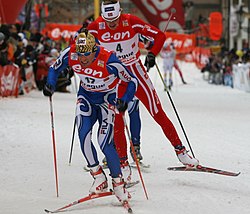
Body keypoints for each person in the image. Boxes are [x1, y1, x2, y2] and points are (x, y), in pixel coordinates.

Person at [87, 0, 199, 180]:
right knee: (117, 119)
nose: (112, 24)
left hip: (135, 73)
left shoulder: (131, 20)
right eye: (109, 21)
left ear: (120, 12)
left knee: (157, 112)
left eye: (115, 19)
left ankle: (181, 152)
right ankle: (123, 164)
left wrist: (153, 53)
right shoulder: (95, 26)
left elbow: (160, 36)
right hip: (114, 77)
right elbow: (78, 44)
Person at [43, 29, 138, 204]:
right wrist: (50, 84)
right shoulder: (71, 53)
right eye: (80, 54)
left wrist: (124, 100)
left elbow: (131, 81)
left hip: (106, 100)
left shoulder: (108, 59)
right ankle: (98, 176)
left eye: (86, 55)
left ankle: (118, 182)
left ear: (94, 50)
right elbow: (54, 68)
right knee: (83, 136)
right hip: (85, 97)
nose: (82, 59)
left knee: (104, 142)